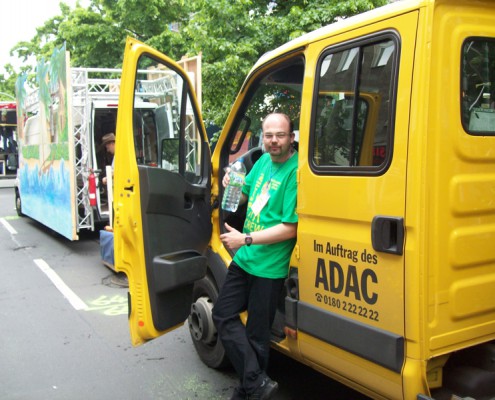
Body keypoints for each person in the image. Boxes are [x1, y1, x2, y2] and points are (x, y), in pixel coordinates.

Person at [213, 113, 298, 400]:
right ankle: (256, 384)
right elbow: (242, 197)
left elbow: (290, 228)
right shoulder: (262, 161)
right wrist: (231, 181)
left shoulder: (296, 171)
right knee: (222, 314)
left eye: (280, 135)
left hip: (269, 267)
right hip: (246, 258)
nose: (273, 141)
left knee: (257, 337)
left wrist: (244, 238)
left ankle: (247, 390)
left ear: (291, 138)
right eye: (269, 135)